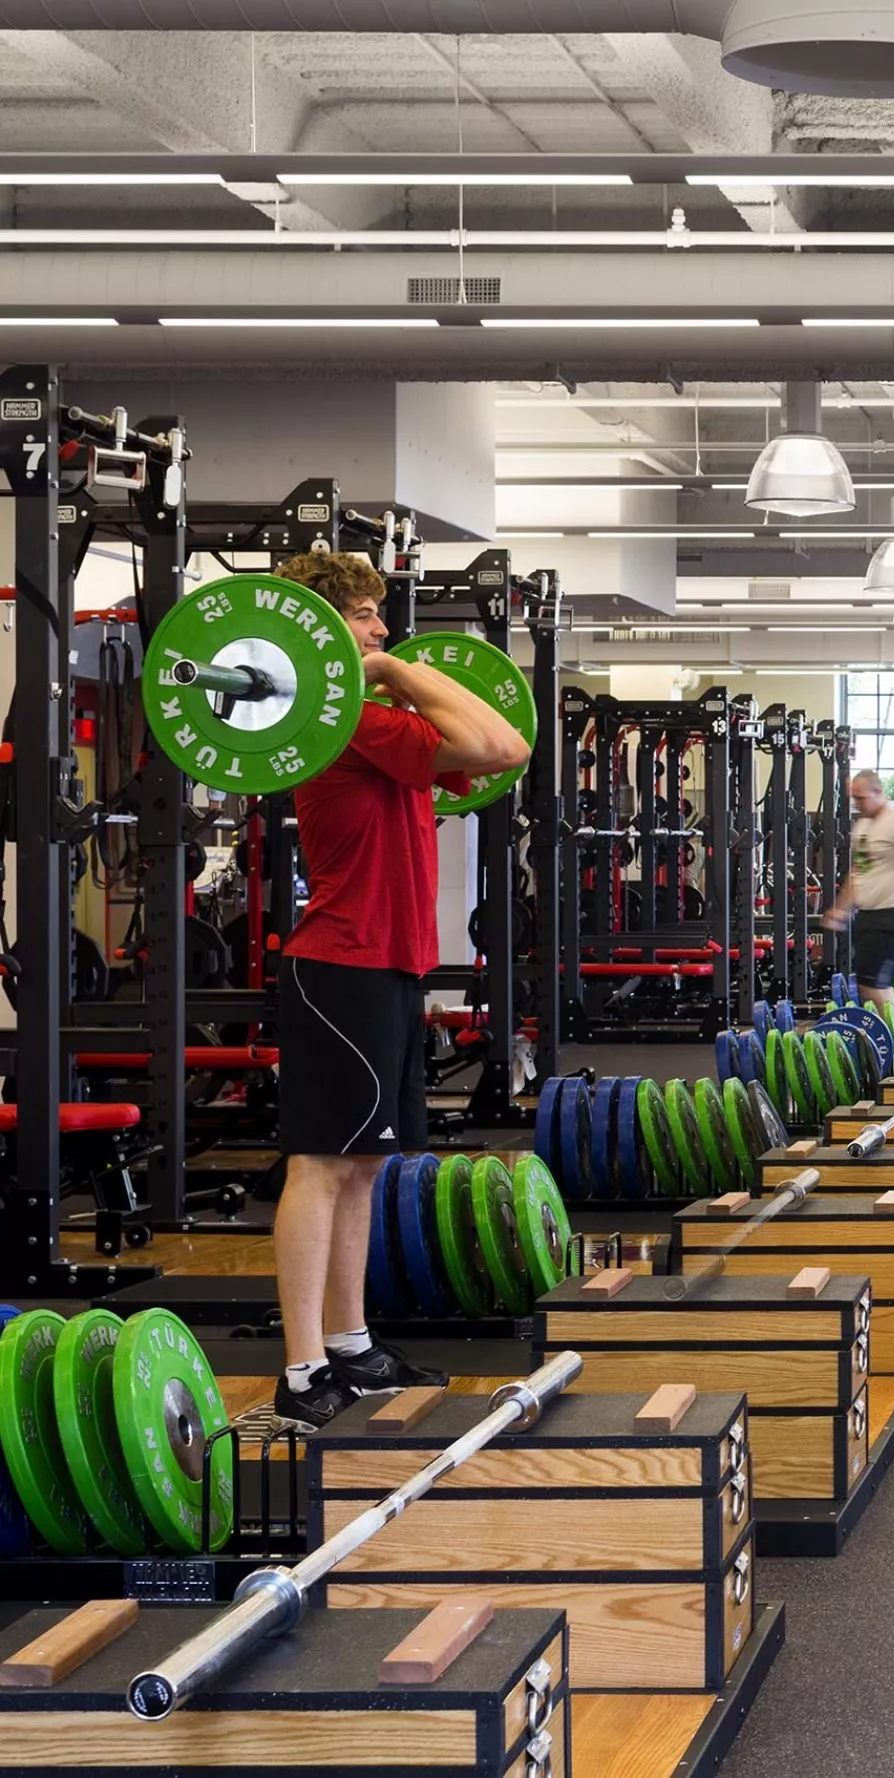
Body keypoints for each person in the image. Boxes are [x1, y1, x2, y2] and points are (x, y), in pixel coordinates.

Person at [272, 551, 532, 1431]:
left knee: (368, 1162)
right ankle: (302, 1368)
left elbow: (496, 745)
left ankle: (350, 1343)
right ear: (320, 633)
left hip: (387, 962)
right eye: (363, 616)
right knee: (321, 1161)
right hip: (340, 963)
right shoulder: (345, 715)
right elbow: (505, 744)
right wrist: (383, 671)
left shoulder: (373, 723)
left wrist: (386, 667)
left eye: (379, 617)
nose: (382, 629)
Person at [820, 768, 894, 1009]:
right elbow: (860, 871)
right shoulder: (863, 826)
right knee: (869, 984)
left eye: (861, 798)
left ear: (878, 792)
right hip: (869, 915)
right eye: (854, 799)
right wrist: (841, 908)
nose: (857, 804)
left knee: (873, 984)